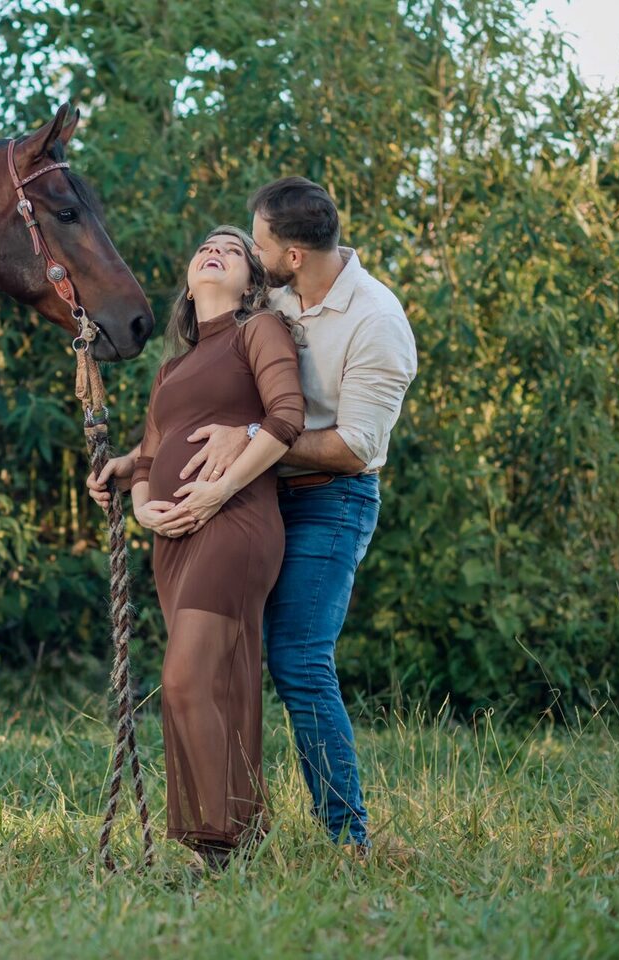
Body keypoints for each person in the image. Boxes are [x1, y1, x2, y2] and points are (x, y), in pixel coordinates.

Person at [88, 178, 419, 858]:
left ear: (288, 257)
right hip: (254, 497)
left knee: (297, 660)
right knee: (228, 662)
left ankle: (344, 838)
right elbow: (187, 418)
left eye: (253, 243)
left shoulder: (375, 323)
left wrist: (249, 438)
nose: (243, 248)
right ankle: (226, 829)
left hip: (329, 494)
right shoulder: (278, 300)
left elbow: (357, 445)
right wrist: (137, 471)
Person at [115, 224, 305, 872]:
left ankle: (218, 844)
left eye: (234, 250)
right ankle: (236, 838)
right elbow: (147, 457)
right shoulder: (170, 369)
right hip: (174, 539)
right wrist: (143, 506)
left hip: (237, 523)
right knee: (213, 681)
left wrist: (217, 490)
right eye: (205, 246)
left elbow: (285, 420)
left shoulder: (259, 334)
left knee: (186, 676)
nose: (215, 251)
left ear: (252, 281)